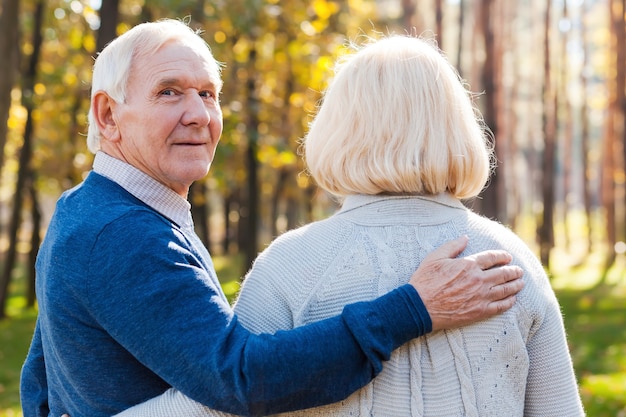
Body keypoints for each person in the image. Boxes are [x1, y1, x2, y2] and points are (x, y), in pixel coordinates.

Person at [20, 20, 525, 417]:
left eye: (208, 94)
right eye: (169, 92)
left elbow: (40, 371)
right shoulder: (120, 233)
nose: (199, 114)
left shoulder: (85, 207)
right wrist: (412, 310)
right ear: (108, 115)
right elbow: (241, 378)